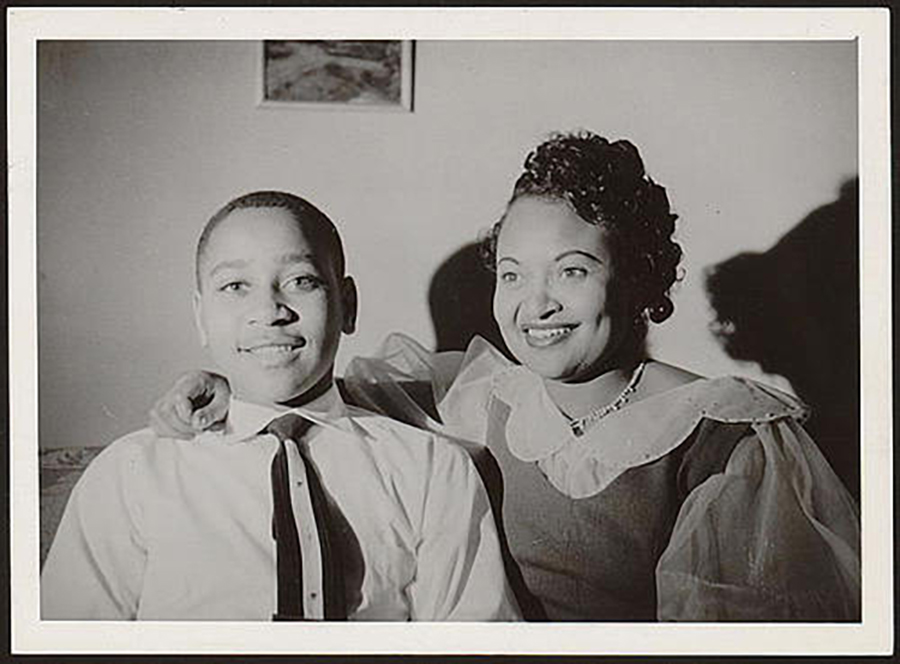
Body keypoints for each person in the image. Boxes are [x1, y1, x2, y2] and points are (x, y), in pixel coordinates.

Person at [151, 134, 861, 622]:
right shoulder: (481, 394)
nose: (536, 303)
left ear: (638, 278)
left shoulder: (715, 433)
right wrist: (218, 383)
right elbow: (318, 391)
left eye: (572, 271)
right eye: (513, 274)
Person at [41, 191, 519, 621]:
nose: (270, 311)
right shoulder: (131, 474)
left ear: (347, 304)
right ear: (200, 316)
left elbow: (472, 636)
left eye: (300, 281)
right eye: (235, 287)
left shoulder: (433, 470)